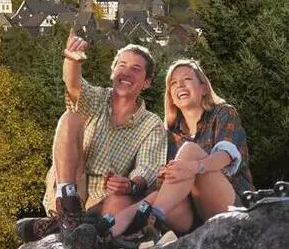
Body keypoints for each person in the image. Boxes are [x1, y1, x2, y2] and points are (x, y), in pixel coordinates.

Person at [17, 29, 167, 244]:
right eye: (122, 65)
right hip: (72, 187)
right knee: (70, 118)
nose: (126, 73)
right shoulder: (97, 98)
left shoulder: (152, 124)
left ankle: (60, 225)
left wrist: (129, 184)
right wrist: (72, 60)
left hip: (105, 201)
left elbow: (147, 168)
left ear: (146, 82)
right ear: (113, 72)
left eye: (136, 69)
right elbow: (74, 85)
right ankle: (68, 210)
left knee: (122, 201)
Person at [107, 59, 253, 238]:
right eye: (174, 83)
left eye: (187, 80)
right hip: (193, 216)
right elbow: (169, 186)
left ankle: (152, 220)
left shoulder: (223, 113)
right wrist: (165, 176)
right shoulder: (170, 133)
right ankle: (107, 233)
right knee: (151, 198)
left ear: (203, 88)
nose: (180, 86)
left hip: (232, 206)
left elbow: (226, 156)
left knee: (189, 151)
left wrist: (192, 167)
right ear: (171, 96)